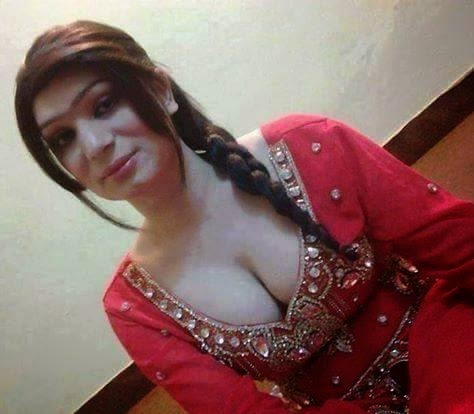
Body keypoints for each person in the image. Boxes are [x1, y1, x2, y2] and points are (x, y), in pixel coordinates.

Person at [15, 20, 473, 414]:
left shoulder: (307, 145)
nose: (94, 145)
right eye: (62, 139)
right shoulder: (134, 306)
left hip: (444, 343)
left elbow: (459, 246)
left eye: (104, 105)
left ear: (160, 90)